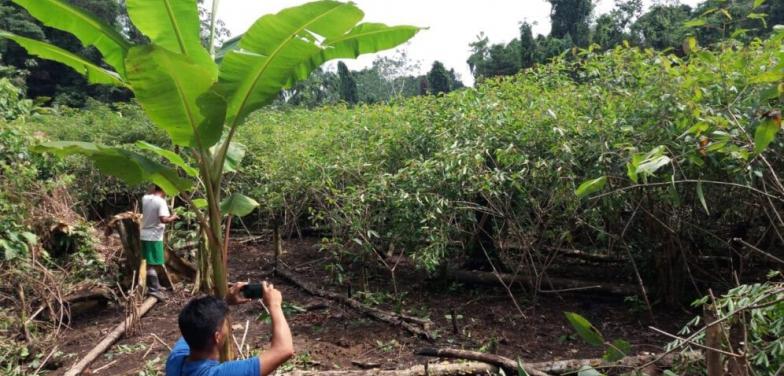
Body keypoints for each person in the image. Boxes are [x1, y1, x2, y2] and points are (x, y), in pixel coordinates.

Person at [166, 282, 294, 376]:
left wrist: (225, 302)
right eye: (224, 323)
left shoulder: (175, 360)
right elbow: (284, 350)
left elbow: (195, 326)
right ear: (217, 336)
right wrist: (275, 305)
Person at [141, 185, 178, 299]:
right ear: (164, 189)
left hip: (145, 234)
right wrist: (174, 217)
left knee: (152, 262)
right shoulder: (161, 202)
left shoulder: (145, 198)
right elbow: (163, 219)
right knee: (152, 263)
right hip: (154, 236)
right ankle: (153, 290)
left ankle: (156, 285)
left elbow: (149, 191)